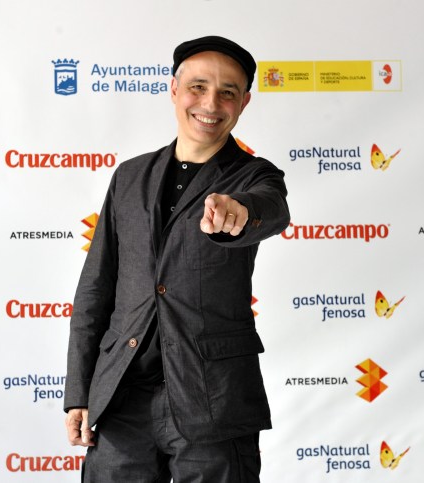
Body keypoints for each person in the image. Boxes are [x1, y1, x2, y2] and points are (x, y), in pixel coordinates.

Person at [64, 35, 290, 482]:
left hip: (214, 401)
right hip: (121, 396)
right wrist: (80, 391)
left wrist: (239, 213)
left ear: (244, 103)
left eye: (228, 92)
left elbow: (272, 208)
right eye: (198, 87)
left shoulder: (255, 176)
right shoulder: (130, 176)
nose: (211, 103)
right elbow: (96, 287)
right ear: (173, 90)